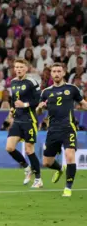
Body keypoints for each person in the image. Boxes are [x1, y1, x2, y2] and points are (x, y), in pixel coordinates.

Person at [37, 63, 87, 197]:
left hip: (68, 128)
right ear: (51, 74)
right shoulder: (46, 92)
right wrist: (40, 107)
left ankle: (68, 188)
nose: (56, 73)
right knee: (46, 162)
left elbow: (83, 103)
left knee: (70, 155)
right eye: (54, 71)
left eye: (59, 71)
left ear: (64, 73)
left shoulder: (72, 89)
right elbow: (38, 112)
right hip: (52, 130)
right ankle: (59, 168)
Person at [5, 58, 42, 187]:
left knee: (29, 149)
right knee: (9, 147)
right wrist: (12, 109)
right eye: (17, 67)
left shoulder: (32, 82)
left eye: (21, 67)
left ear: (26, 68)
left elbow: (38, 100)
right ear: (14, 69)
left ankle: (38, 179)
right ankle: (27, 167)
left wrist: (24, 104)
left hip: (29, 119)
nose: (19, 69)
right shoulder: (13, 82)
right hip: (18, 120)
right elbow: (14, 99)